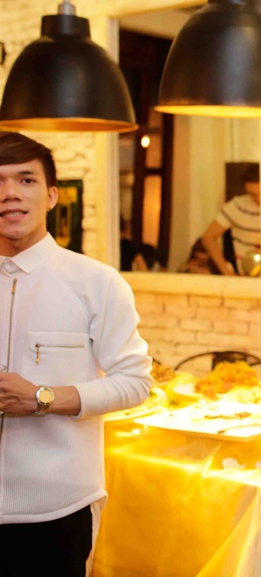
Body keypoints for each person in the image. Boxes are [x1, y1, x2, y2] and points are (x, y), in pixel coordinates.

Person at [0, 132, 152, 576]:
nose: (10, 193)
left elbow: (135, 381)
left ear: (51, 195)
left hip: (56, 510)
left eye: (26, 180)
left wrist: (42, 397)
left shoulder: (95, 282)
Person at [200, 163, 260, 276]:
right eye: (252, 194)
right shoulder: (237, 206)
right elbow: (208, 237)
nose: (258, 199)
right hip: (246, 277)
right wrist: (228, 273)